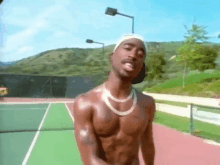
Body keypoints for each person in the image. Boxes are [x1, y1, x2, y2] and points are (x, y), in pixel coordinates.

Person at [73, 34, 156, 165]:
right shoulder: (85, 102)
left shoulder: (147, 103)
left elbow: (148, 145)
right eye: (128, 48)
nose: (133, 55)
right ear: (112, 56)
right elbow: (90, 159)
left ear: (141, 66)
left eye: (140, 55)